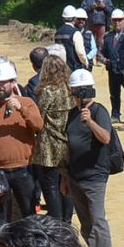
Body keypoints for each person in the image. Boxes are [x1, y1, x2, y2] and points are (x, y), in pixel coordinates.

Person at [62, 68, 119, 247]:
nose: (79, 96)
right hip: (75, 175)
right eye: (76, 92)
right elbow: (68, 147)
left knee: (98, 220)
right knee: (85, 222)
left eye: (80, 91)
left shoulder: (98, 111)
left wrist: (90, 122)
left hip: (95, 175)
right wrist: (64, 177)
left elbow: (105, 138)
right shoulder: (72, 114)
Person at [0, 59, 43, 230]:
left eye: (2, 82)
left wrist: (21, 109)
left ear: (12, 82)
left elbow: (39, 125)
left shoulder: (27, 102)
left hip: (25, 168)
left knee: (29, 214)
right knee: (0, 217)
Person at [30, 51, 74, 218]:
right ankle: (67, 220)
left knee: (50, 185)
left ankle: (56, 220)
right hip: (67, 142)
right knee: (66, 183)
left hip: (48, 143)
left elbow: (38, 118)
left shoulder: (48, 91)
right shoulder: (70, 90)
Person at [98, 6, 124, 118]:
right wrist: (106, 61)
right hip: (112, 69)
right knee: (114, 94)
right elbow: (100, 52)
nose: (117, 23)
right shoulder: (107, 37)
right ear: (111, 21)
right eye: (115, 20)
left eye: (119, 20)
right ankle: (115, 115)